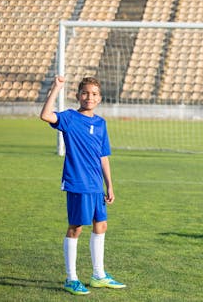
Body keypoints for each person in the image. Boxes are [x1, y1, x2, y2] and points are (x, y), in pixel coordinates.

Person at [40, 76, 126, 295]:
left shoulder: (101, 123)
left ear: (99, 98)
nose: (90, 97)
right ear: (78, 96)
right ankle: (71, 278)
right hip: (78, 183)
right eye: (85, 93)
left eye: (94, 94)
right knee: (76, 228)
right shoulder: (69, 118)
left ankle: (98, 275)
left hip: (97, 185)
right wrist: (57, 88)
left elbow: (103, 156)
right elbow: (45, 115)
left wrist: (110, 185)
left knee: (101, 225)